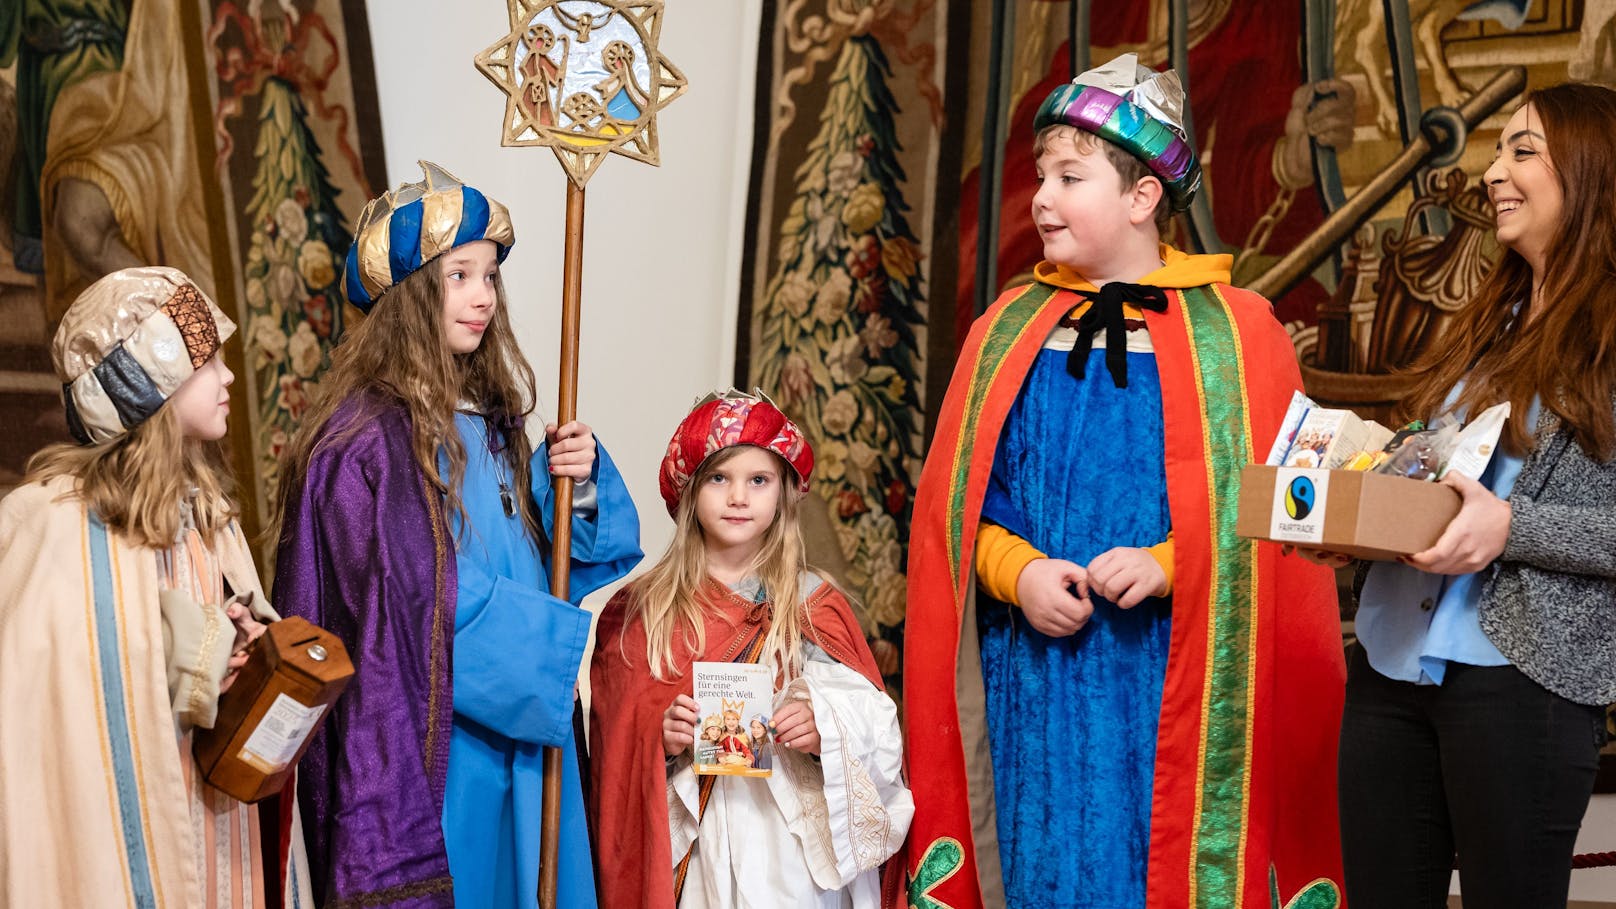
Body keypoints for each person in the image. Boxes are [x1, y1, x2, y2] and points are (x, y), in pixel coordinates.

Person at [899, 56, 1345, 909]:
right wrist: (1019, 573)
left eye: (1071, 176)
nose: (1041, 197)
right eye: (1040, 175)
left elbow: (1286, 514)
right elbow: (954, 518)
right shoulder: (1005, 331)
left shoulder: (1242, 335)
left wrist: (1171, 561)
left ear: (1143, 198)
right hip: (1034, 685)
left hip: (1173, 682)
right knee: (1042, 871)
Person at [271, 161, 641, 908]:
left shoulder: (495, 423)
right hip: (446, 743)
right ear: (410, 295)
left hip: (528, 740)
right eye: (460, 274)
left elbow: (569, 568)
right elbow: (397, 605)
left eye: (492, 275)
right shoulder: (366, 441)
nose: (484, 295)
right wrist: (545, 650)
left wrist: (579, 482)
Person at [1312, 82, 1616, 909]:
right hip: (1388, 668)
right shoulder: (1487, 321)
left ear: (1593, 173)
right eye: (1496, 150)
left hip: (1522, 679)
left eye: (1525, 151)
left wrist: (1512, 527)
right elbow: (1443, 475)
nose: (1494, 172)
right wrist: (1367, 516)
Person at [0, 266, 313, 906]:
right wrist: (199, 646)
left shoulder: (205, 516)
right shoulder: (57, 523)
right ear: (151, 381)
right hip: (129, 825)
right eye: (207, 363)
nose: (228, 378)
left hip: (215, 827)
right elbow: (59, 696)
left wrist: (248, 638)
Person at [588, 390, 912, 909]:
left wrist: (822, 721)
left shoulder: (811, 602)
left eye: (758, 480)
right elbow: (613, 749)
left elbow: (876, 721)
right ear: (689, 490)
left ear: (784, 493)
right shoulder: (642, 611)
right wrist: (660, 738)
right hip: (692, 850)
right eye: (719, 478)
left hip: (789, 855)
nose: (738, 496)